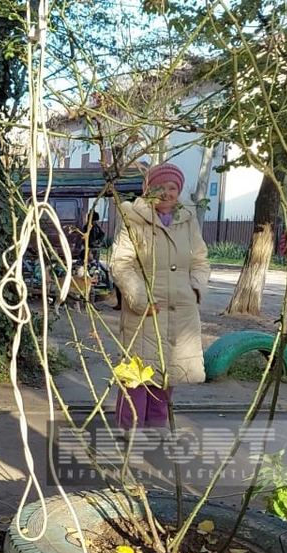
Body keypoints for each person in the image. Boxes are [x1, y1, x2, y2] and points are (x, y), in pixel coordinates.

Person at [109, 162, 210, 432]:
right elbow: (121, 263)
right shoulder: (132, 218)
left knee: (167, 374)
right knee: (137, 374)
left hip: (180, 309)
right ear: (148, 190)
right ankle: (129, 430)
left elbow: (200, 259)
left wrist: (195, 288)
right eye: (160, 187)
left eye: (172, 187)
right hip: (145, 310)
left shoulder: (187, 219)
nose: (166, 193)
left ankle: (157, 427)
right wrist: (141, 300)